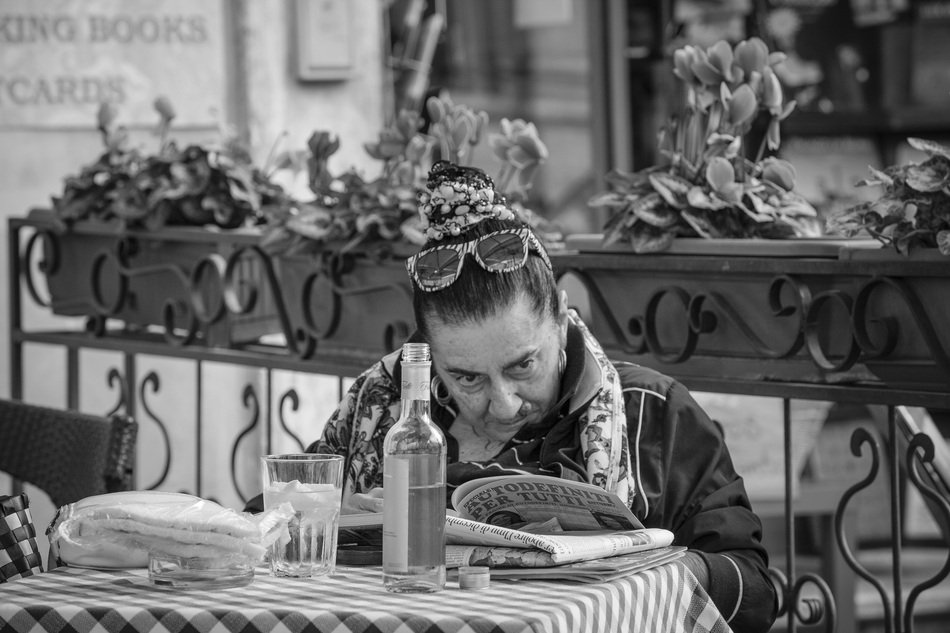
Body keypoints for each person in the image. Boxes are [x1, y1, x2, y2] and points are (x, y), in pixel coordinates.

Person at [254, 161, 777, 632]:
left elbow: (753, 586)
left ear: (562, 316)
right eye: (467, 379)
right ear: (430, 357)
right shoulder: (378, 408)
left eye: (523, 365)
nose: (503, 404)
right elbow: (275, 523)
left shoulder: (652, 413)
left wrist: (649, 582)